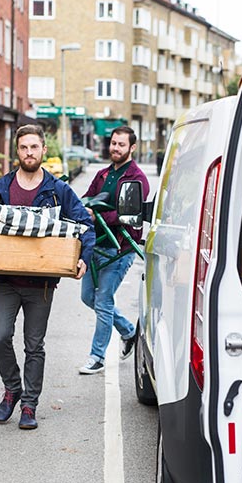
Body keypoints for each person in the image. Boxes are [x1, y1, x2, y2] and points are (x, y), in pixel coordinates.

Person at [0, 125, 94, 430]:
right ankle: (12, 388)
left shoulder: (58, 191)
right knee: (0, 336)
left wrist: (83, 257)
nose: (29, 152)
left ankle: (29, 405)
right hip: (4, 281)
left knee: (34, 345)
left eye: (34, 147)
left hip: (40, 285)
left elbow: (85, 224)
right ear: (18, 151)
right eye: (24, 147)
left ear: (43, 150)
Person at [78, 126, 150, 375]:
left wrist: (97, 214)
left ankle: (97, 356)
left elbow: (128, 214)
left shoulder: (137, 179)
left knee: (104, 301)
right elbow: (86, 199)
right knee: (88, 298)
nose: (115, 148)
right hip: (96, 246)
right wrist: (82, 209)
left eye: (121, 144)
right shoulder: (102, 174)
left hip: (120, 248)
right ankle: (130, 332)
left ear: (132, 148)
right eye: (113, 143)